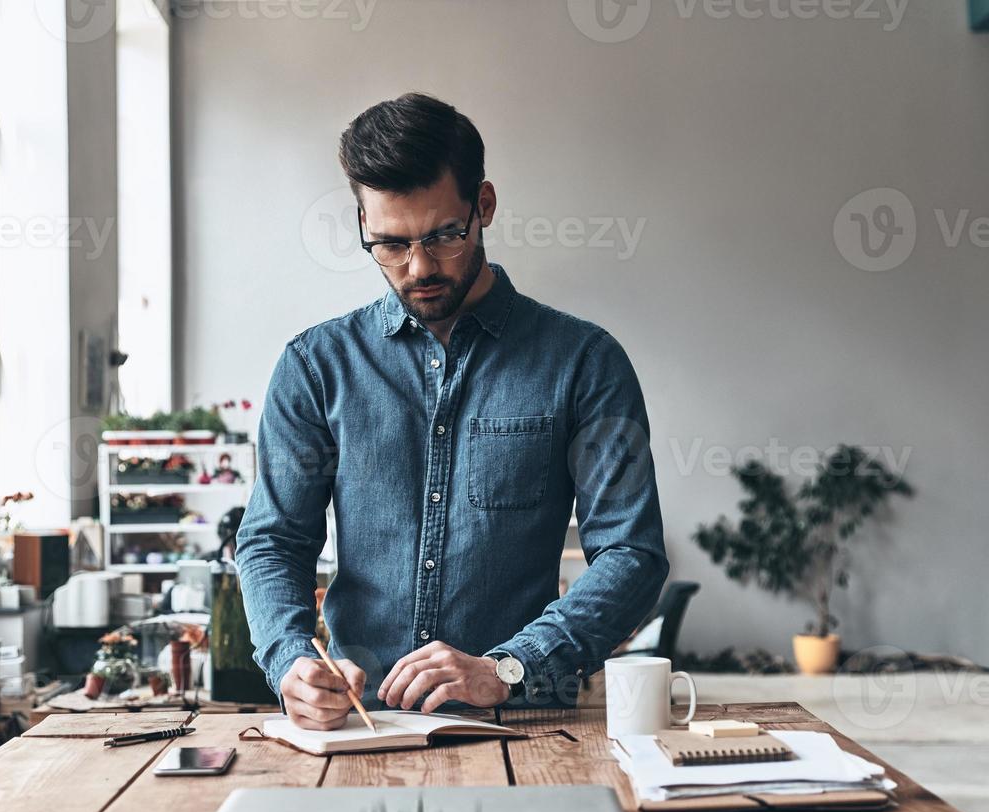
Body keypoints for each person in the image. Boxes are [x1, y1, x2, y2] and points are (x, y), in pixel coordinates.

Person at [236, 93, 667, 730]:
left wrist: (509, 667)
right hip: (361, 727)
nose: (418, 267)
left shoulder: (585, 361)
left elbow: (631, 553)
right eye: (388, 243)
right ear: (362, 223)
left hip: (526, 725)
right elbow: (274, 540)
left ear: (483, 206)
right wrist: (289, 659)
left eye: (442, 236)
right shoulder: (315, 366)